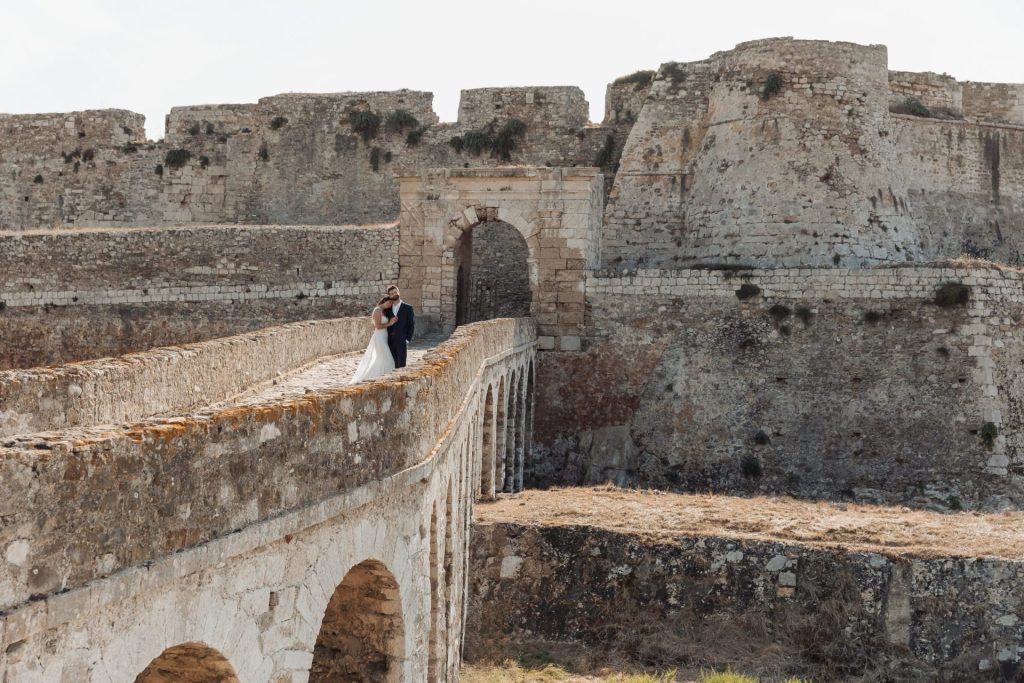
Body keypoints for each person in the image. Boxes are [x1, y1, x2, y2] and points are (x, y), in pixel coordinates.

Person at [348, 296, 398, 384]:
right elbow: (378, 326)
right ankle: (376, 379)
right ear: (384, 301)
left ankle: (376, 378)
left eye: (391, 304)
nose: (389, 305)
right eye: (388, 302)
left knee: (381, 359)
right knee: (387, 358)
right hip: (379, 337)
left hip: (385, 336)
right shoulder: (377, 310)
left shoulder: (384, 311)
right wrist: (390, 323)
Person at [383, 284, 415, 368]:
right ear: (389, 296)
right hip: (390, 341)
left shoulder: (408, 308)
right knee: (392, 364)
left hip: (402, 340)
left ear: (398, 292)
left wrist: (407, 340)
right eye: (391, 293)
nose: (394, 294)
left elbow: (411, 325)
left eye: (395, 292)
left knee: (402, 365)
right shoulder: (388, 309)